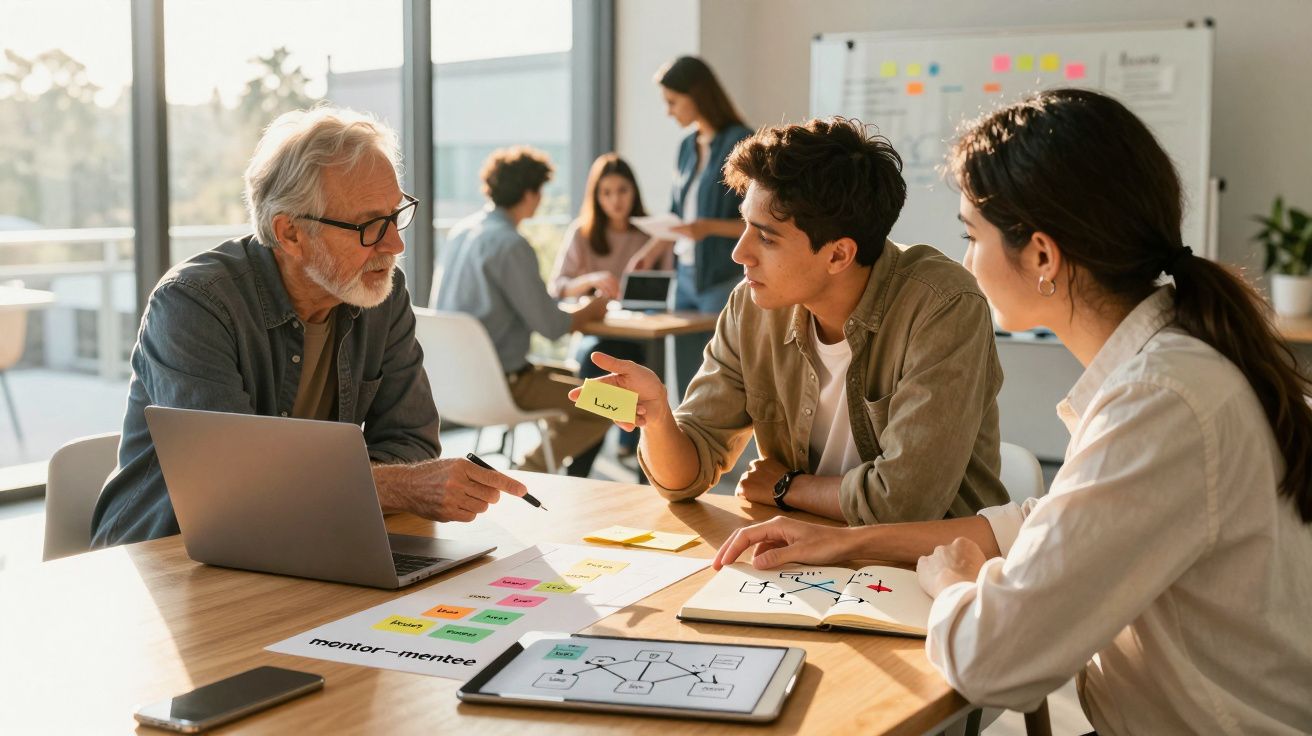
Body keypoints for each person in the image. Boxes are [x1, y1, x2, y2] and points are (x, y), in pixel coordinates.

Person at [714, 90, 1312, 734]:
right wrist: (846, 542)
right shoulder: (1174, 368)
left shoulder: (1160, 402)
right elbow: (1047, 522)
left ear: (1043, 257)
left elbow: (989, 662)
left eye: (973, 236)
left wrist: (958, 586)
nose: (966, 261)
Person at [91, 107, 526, 547]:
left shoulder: (380, 293)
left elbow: (410, 441)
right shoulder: (193, 304)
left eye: (396, 215)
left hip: (306, 543)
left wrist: (360, 486)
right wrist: (394, 486)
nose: (395, 243)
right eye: (370, 225)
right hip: (168, 555)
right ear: (291, 233)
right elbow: (233, 485)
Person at [573, 117, 1008, 525]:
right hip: (801, 556)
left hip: (932, 574)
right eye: (745, 227)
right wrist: (659, 419)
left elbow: (906, 504)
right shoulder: (752, 306)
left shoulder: (942, 305)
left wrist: (787, 488)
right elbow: (684, 478)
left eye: (765, 237)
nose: (739, 253)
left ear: (838, 254)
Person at [433, 146, 612, 477]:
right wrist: (593, 307)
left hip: (459, 382)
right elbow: (552, 326)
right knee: (613, 403)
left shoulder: (461, 233)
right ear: (530, 194)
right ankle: (526, 471)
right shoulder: (510, 244)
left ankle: (531, 468)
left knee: (581, 380)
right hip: (506, 383)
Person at [628, 56, 751, 397]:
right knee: (685, 377)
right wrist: (649, 252)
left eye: (672, 102)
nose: (668, 111)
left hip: (722, 278)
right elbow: (676, 216)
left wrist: (708, 227)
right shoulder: (686, 146)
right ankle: (686, 447)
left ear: (696, 95)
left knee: (722, 376)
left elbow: (758, 222)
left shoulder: (740, 142)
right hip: (685, 277)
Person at [549, 153, 668, 460]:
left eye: (622, 190)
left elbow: (668, 287)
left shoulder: (651, 235)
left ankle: (634, 451)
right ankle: (617, 442)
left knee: (636, 365)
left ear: (634, 191)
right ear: (596, 196)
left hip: (639, 337)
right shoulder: (582, 232)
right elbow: (558, 287)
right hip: (595, 340)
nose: (615, 200)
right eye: (606, 192)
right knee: (600, 361)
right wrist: (589, 279)